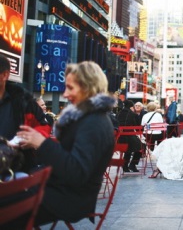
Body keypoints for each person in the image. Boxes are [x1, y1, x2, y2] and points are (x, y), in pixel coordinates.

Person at [13, 61, 115, 227]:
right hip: (60, 191)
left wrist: (42, 143)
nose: (65, 94)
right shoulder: (90, 118)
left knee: (7, 207)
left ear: (88, 88)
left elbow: (76, 171)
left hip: (68, 199)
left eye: (70, 87)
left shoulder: (94, 123)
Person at [0, 54, 51, 174]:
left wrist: (28, 139)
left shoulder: (24, 102)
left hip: (15, 168)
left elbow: (44, 126)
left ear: (5, 75)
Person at [117, 100, 143, 172]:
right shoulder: (133, 114)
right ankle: (132, 164)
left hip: (118, 138)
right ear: (131, 106)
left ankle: (125, 165)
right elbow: (138, 128)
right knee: (141, 146)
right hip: (129, 137)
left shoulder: (118, 113)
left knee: (129, 148)